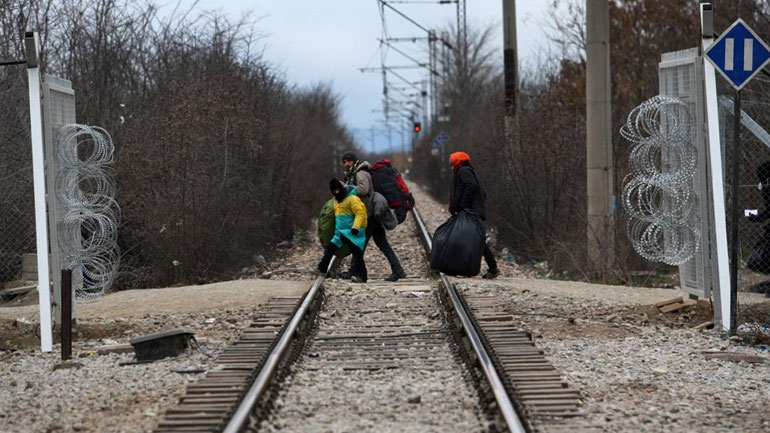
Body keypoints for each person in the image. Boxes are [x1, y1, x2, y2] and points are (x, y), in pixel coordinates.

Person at [448, 151, 500, 279]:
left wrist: (463, 205)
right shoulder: (468, 171)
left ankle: (466, 268)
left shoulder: (463, 171)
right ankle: (491, 268)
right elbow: (481, 192)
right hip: (473, 211)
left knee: (469, 239)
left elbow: (470, 187)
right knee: (475, 239)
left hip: (470, 211)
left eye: (452, 160)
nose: (451, 163)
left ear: (457, 161)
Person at [317, 178, 368, 282]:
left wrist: (355, 227)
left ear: (341, 189)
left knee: (357, 253)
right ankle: (322, 268)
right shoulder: (336, 201)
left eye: (337, 190)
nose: (336, 192)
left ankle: (362, 276)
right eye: (334, 191)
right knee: (330, 248)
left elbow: (360, 213)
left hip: (353, 232)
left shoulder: (352, 199)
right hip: (340, 232)